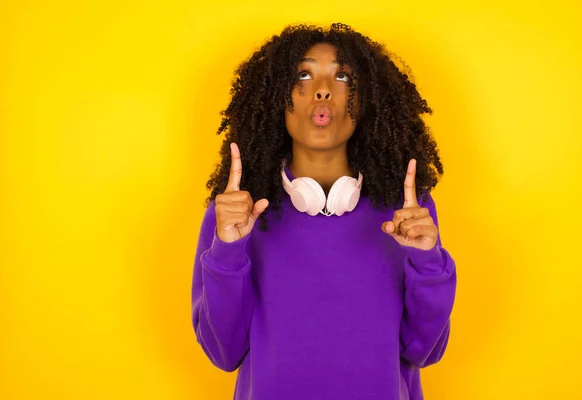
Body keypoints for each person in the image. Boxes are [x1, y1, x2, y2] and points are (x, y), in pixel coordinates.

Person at [191, 22, 457, 400]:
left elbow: (423, 351)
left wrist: (428, 262)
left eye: (343, 76)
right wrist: (229, 251)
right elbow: (223, 353)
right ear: (276, 98)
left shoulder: (408, 215)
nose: (322, 88)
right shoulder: (234, 215)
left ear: (366, 101)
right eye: (303, 73)